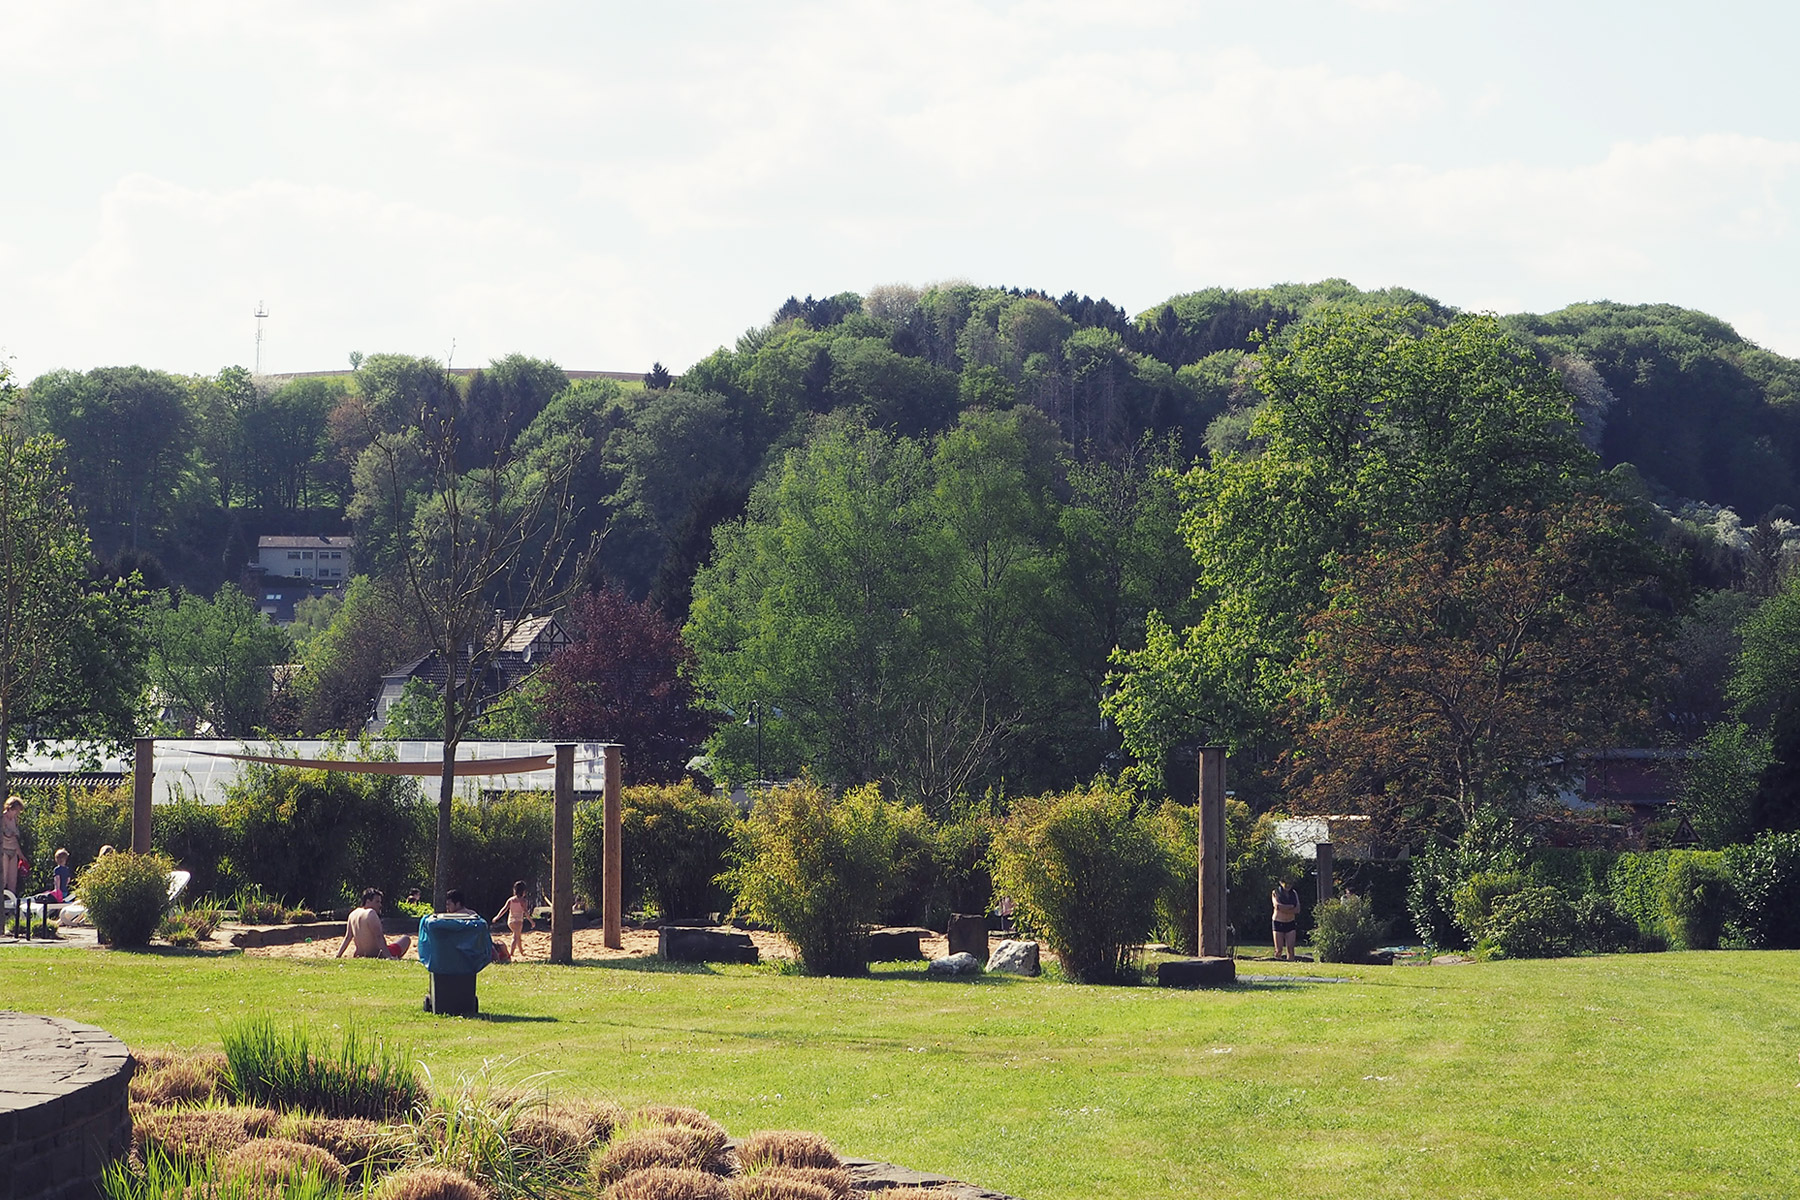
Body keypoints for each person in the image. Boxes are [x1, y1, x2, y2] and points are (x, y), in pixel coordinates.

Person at [335, 888, 412, 959]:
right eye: (377, 902)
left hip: (359, 954)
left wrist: (338, 955)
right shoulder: (371, 913)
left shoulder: (353, 914)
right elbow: (379, 937)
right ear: (368, 902)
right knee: (406, 939)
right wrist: (389, 956)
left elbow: (347, 938)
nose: (380, 905)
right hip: (376, 954)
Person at [494, 880, 532, 960]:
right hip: (518, 921)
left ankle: (521, 951)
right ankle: (511, 953)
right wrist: (531, 921)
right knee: (515, 937)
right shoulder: (523, 901)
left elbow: (504, 909)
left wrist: (497, 917)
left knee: (517, 936)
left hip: (510, 921)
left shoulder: (511, 900)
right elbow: (526, 912)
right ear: (524, 891)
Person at [1271, 878, 1300, 962]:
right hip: (1278, 922)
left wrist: (1285, 908)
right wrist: (1290, 907)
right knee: (1279, 949)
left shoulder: (1294, 893)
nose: (1288, 886)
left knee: (1290, 949)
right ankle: (1277, 965)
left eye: (1289, 883)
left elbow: (1297, 909)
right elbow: (1277, 906)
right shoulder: (1276, 892)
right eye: (1285, 883)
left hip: (1290, 923)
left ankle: (1290, 965)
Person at [1, 797, 22, 901]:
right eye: (15, 811)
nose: (16, 813)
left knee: (12, 881)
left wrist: (21, 855)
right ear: (10, 808)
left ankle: (11, 906)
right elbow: (7, 833)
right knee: (3, 879)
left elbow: (16, 837)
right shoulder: (2, 818)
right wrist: (11, 833)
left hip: (13, 851)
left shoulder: (15, 820)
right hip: (4, 850)